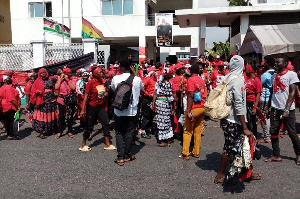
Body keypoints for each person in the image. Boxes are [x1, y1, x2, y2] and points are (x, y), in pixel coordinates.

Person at [214, 55, 254, 184]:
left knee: (242, 146)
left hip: (227, 118)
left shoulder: (227, 77)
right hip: (234, 120)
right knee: (230, 147)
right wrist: (245, 127)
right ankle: (220, 174)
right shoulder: (238, 80)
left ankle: (246, 172)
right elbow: (238, 104)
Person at [265, 55, 300, 165]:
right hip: (275, 108)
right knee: (273, 131)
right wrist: (267, 107)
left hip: (287, 109)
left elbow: (292, 93)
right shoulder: (274, 75)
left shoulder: (292, 75)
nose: (275, 64)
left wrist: (287, 110)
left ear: (285, 63)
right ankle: (276, 155)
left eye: (278, 62)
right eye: (275, 62)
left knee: (292, 133)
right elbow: (272, 92)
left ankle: (298, 154)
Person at [111, 60, 143, 166]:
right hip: (132, 111)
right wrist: (135, 74)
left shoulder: (116, 78)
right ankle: (127, 155)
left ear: (122, 68)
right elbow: (142, 88)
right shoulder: (137, 79)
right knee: (129, 132)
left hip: (118, 109)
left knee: (119, 133)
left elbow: (113, 88)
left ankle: (120, 157)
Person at [79, 67, 116, 151]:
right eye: (100, 72)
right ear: (95, 74)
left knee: (106, 123)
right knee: (89, 125)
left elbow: (105, 92)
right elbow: (86, 96)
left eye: (102, 72)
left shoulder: (102, 82)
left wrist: (105, 94)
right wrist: (82, 110)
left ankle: (107, 144)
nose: (102, 73)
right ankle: (83, 144)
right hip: (92, 107)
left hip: (101, 106)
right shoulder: (90, 83)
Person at [180, 63, 206, 160]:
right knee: (197, 131)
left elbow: (190, 95)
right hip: (202, 108)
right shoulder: (201, 80)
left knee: (187, 131)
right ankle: (196, 152)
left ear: (190, 71)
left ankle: (185, 153)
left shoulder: (191, 80)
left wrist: (188, 110)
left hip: (194, 108)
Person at [31, 68, 58, 139]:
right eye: (42, 73)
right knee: (41, 117)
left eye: (44, 72)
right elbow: (33, 90)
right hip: (42, 101)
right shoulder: (37, 81)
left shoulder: (50, 79)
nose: (43, 74)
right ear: (39, 74)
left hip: (51, 101)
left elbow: (55, 85)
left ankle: (50, 130)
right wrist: (38, 92)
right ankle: (41, 132)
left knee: (50, 116)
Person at [152, 67, 174, 147]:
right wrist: (173, 105)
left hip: (159, 102)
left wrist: (153, 104)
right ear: (168, 76)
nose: (172, 74)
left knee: (161, 121)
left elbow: (155, 93)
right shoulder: (168, 84)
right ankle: (166, 139)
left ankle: (161, 139)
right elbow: (170, 96)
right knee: (167, 121)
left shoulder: (158, 83)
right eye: (171, 73)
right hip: (165, 103)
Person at [55, 67, 77, 139]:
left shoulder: (72, 79)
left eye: (70, 73)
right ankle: (60, 131)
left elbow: (73, 88)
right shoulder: (59, 79)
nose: (69, 75)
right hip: (61, 100)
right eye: (67, 73)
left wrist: (67, 80)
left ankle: (69, 131)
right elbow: (56, 87)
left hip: (70, 100)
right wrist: (61, 79)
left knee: (70, 116)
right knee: (61, 116)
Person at [258, 56, 275, 143]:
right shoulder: (276, 73)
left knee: (263, 117)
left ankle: (266, 137)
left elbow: (259, 86)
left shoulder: (265, 75)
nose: (263, 63)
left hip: (265, 98)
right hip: (273, 98)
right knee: (270, 117)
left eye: (265, 62)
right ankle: (271, 135)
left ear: (268, 64)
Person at [245, 65, 263, 138]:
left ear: (249, 70)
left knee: (252, 123)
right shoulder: (247, 79)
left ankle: (254, 140)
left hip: (252, 102)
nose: (245, 71)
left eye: (246, 70)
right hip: (247, 102)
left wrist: (255, 107)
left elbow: (258, 94)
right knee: (248, 122)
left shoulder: (257, 80)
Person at [0, 75, 20, 140]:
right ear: (5, 80)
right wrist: (18, 106)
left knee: (6, 120)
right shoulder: (8, 88)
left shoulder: (1, 88)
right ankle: (10, 134)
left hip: (3, 106)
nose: (10, 79)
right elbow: (11, 99)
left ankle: (8, 133)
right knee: (11, 121)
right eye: (8, 78)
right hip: (9, 106)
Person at [139, 67, 157, 139]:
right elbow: (141, 87)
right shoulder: (148, 79)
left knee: (151, 115)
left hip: (153, 99)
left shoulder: (155, 79)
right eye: (154, 72)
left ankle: (147, 129)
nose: (156, 73)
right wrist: (147, 94)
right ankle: (142, 131)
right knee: (146, 116)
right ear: (151, 72)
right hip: (147, 99)